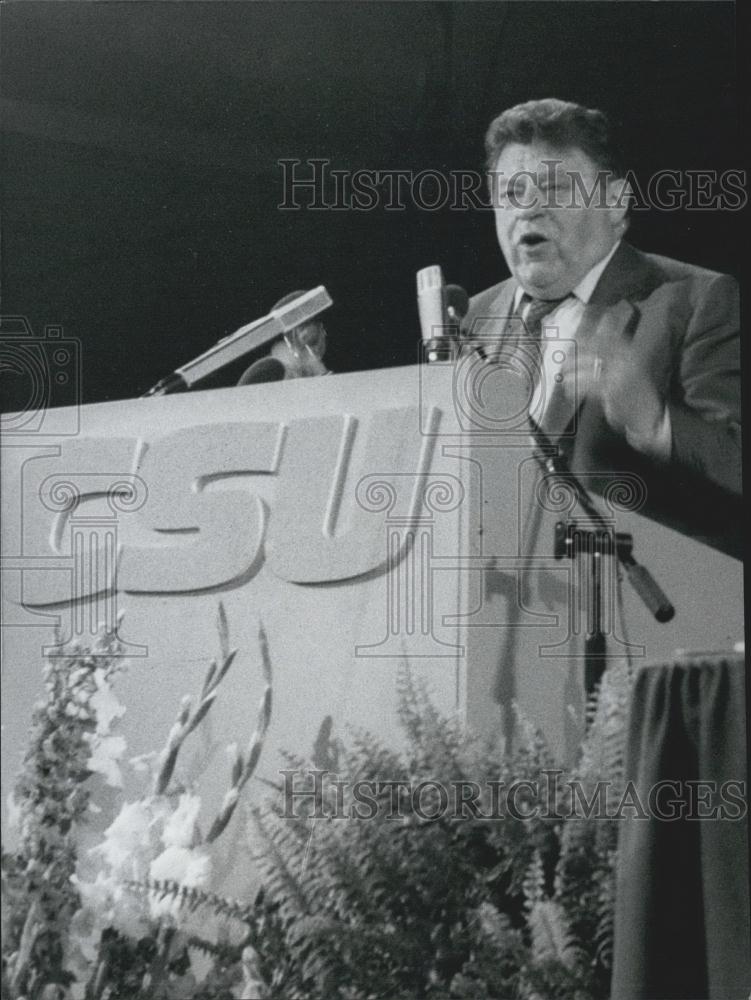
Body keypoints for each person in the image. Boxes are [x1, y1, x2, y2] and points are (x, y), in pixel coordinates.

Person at [463, 98, 741, 556]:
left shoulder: (695, 300)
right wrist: (322, 394)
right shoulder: (472, 320)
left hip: (648, 611)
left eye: (554, 188)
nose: (528, 211)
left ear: (615, 202)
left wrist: (657, 425)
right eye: (511, 193)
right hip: (497, 605)